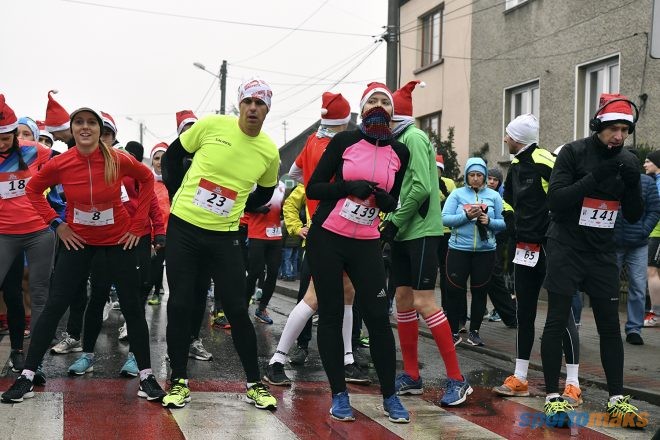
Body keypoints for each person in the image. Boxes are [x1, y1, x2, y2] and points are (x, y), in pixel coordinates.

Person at [1, 106, 165, 403]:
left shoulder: (118, 159)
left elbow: (147, 180)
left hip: (117, 241)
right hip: (78, 241)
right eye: (79, 122)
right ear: (73, 130)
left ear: (100, 130)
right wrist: (57, 224)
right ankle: (27, 375)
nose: (85, 127)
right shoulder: (61, 162)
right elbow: (33, 190)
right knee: (55, 305)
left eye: (91, 122)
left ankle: (146, 376)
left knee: (131, 306)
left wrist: (139, 225)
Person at [160, 77, 279, 410]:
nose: (253, 108)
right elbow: (171, 158)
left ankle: (255, 384)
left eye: (260, 103)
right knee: (180, 303)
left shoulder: (269, 151)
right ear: (239, 105)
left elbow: (265, 193)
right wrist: (176, 194)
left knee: (237, 309)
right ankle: (178, 381)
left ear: (267, 109)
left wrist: (240, 204)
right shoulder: (212, 125)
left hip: (225, 236)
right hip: (184, 228)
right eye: (248, 102)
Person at [305, 82, 410, 423]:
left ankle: (390, 396)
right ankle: (339, 395)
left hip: (366, 241)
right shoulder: (344, 141)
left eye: (386, 102)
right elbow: (313, 188)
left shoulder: (401, 152)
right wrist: (347, 187)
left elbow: (393, 199)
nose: (379, 106)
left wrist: (387, 202)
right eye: (372, 101)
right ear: (362, 110)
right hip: (328, 237)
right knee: (332, 314)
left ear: (393, 113)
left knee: (378, 317)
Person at [540, 93, 647, 427]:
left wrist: (633, 184)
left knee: (609, 326)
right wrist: (595, 177)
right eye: (613, 129)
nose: (619, 136)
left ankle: (616, 400)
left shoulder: (628, 161)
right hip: (567, 246)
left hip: (602, 252)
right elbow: (556, 201)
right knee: (557, 320)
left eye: (624, 130)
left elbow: (634, 215)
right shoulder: (574, 152)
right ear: (598, 126)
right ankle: (553, 398)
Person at [263, 92, 369, 387]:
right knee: (314, 297)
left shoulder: (312, 141)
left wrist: (312, 196)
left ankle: (348, 359)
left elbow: (294, 173)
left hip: (329, 226)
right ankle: (276, 360)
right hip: (332, 228)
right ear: (345, 120)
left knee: (347, 293)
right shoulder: (343, 145)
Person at [383, 81, 471, 406]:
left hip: (420, 231)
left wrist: (393, 220)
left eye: (385, 112)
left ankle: (458, 379)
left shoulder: (415, 137)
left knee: (423, 301)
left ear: (396, 115)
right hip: (404, 232)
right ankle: (412, 375)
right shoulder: (395, 141)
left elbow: (420, 188)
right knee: (403, 301)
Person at [493, 114, 582, 407]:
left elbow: (569, 193)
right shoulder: (516, 165)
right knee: (525, 312)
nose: (505, 139)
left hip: (550, 246)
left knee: (561, 314)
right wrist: (509, 219)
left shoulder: (545, 160)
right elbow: (508, 199)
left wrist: (558, 227)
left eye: (508, 134)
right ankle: (520, 377)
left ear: (518, 138)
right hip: (524, 248)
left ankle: (573, 383)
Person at [0, 96, 55, 377]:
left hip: (38, 233)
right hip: (4, 235)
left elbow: (65, 160)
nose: (1, 144)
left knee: (39, 295)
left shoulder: (35, 151)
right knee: (10, 293)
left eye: (5, 138)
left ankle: (34, 361)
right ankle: (17, 351)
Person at [442, 158, 506, 346]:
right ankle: (453, 331)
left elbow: (504, 223)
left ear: (484, 176)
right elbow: (444, 219)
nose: (476, 178)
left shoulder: (494, 196)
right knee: (454, 291)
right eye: (472, 175)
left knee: (480, 292)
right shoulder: (457, 194)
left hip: (485, 252)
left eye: (479, 175)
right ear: (467, 176)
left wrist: (489, 221)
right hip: (459, 250)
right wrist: (466, 216)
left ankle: (474, 332)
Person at [614, 166, 660, 345]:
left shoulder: (647, 183)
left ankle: (634, 329)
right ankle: (610, 327)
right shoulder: (611, 178)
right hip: (613, 243)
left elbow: (655, 210)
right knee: (609, 286)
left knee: (638, 287)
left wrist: (643, 230)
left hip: (638, 244)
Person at [244, 180, 286, 324]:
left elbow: (283, 207)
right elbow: (242, 204)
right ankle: (244, 306)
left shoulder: (282, 186)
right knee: (255, 272)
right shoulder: (254, 183)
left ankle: (262, 309)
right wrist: (257, 209)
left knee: (273, 273)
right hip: (257, 234)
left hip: (276, 235)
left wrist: (283, 211)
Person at [483, 167, 517, 327]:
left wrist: (492, 227)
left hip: (498, 243)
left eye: (495, 180)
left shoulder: (503, 197)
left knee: (496, 279)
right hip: (474, 243)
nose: (491, 182)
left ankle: (510, 316)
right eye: (489, 178)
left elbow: (507, 223)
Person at [147, 142, 170, 305]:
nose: (160, 162)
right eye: (156, 158)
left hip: (174, 232)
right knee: (155, 265)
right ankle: (155, 292)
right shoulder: (146, 182)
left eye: (164, 158)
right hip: (155, 232)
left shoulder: (175, 182)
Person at [643, 150, 660, 328]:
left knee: (652, 271)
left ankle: (656, 315)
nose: (645, 164)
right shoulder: (656, 180)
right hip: (654, 232)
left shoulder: (659, 182)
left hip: (657, 233)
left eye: (648, 161)